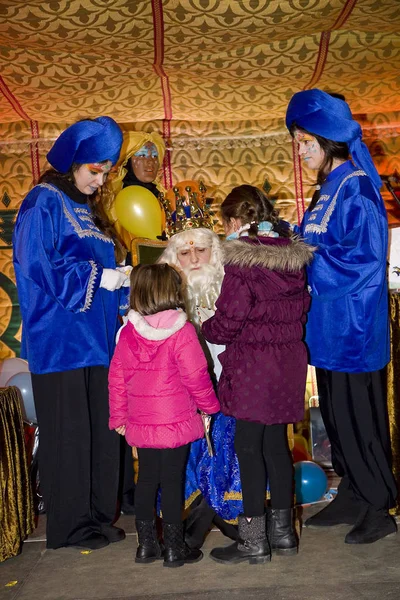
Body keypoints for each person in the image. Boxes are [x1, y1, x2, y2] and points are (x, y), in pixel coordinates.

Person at [286, 88, 398, 544]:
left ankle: (379, 504)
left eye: (304, 141)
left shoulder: (357, 188)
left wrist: (304, 256)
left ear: (328, 138)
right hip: (328, 330)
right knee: (335, 416)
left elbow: (363, 260)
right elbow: (315, 244)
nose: (299, 151)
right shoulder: (325, 191)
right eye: (296, 142)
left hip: (354, 329)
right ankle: (352, 491)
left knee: (360, 420)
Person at [13, 117, 128, 550]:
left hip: (97, 340)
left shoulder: (86, 209)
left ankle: (97, 516)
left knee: (100, 431)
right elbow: (36, 263)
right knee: (70, 434)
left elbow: (99, 270)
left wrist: (121, 282)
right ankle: (71, 525)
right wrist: (99, 277)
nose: (99, 182)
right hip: (60, 340)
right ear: (71, 163)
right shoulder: (43, 201)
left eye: (105, 173)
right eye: (93, 171)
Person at [201, 184, 313, 564]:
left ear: (234, 221)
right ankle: (283, 536)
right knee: (275, 446)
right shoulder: (293, 258)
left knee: (248, 449)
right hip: (288, 363)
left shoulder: (243, 262)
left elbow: (230, 318)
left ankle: (253, 541)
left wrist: (206, 328)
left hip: (253, 364)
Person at [108, 263, 220, 567]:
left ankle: (146, 546)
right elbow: (197, 376)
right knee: (172, 483)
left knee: (145, 480)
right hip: (176, 421)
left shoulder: (128, 333)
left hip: (142, 422)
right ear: (173, 292)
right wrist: (210, 408)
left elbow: (116, 377)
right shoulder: (183, 331)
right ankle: (174, 548)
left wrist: (118, 417)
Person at [159, 224, 240, 547]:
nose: (194, 258)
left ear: (214, 252)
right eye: (184, 252)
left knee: (230, 451)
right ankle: (193, 525)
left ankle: (233, 518)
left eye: (201, 250)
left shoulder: (233, 288)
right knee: (192, 457)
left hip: (231, 386)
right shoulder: (166, 299)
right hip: (185, 396)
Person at [105, 131, 166, 251]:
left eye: (154, 156)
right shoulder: (111, 199)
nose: (150, 162)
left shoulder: (164, 198)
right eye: (142, 155)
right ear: (127, 161)